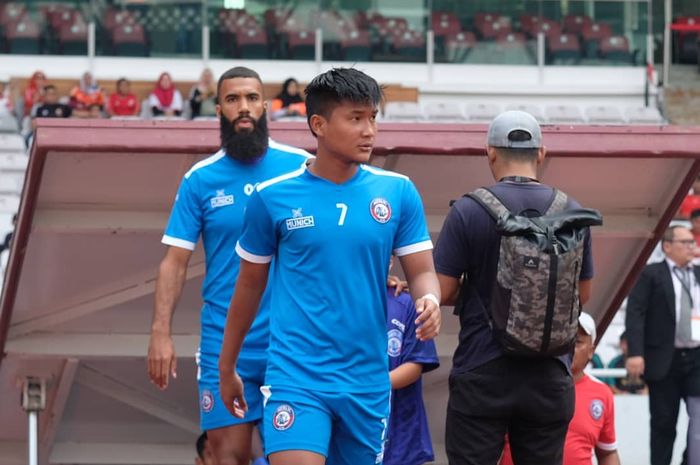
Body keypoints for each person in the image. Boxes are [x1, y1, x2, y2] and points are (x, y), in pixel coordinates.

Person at [218, 67, 442, 465]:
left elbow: (422, 272)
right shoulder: (272, 198)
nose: (369, 130)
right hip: (296, 377)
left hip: (368, 383)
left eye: (372, 117)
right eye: (355, 119)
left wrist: (430, 300)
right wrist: (227, 366)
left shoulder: (398, 191)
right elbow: (249, 288)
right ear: (318, 125)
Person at [147, 66, 313, 465]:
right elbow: (175, 262)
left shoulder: (303, 166)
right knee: (228, 455)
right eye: (233, 99)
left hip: (291, 341)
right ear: (218, 107)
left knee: (291, 455)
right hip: (224, 342)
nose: (244, 107)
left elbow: (336, 237)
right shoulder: (199, 179)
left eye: (252, 98)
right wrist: (160, 332)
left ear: (265, 106)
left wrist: (382, 276)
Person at [435, 110, 594, 465]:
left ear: (490, 152)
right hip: (550, 375)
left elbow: (442, 291)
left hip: (483, 368)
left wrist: (487, 290)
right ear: (541, 153)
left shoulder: (469, 210)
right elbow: (582, 295)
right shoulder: (571, 210)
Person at [500, 313, 620, 465]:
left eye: (576, 341)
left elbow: (607, 452)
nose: (568, 348)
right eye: (562, 340)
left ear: (591, 351)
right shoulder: (518, 381)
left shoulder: (602, 393)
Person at [626, 224, 700, 465]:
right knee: (663, 424)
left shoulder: (698, 273)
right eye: (685, 242)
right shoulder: (651, 273)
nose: (692, 246)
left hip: (696, 357)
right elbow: (635, 313)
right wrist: (635, 353)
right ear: (667, 246)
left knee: (698, 421)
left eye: (693, 242)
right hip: (664, 359)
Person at [384, 258, 440, 465]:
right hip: (350, 419)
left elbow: (416, 365)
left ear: (390, 261)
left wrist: (373, 384)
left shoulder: (405, 303)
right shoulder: (336, 302)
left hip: (399, 429)